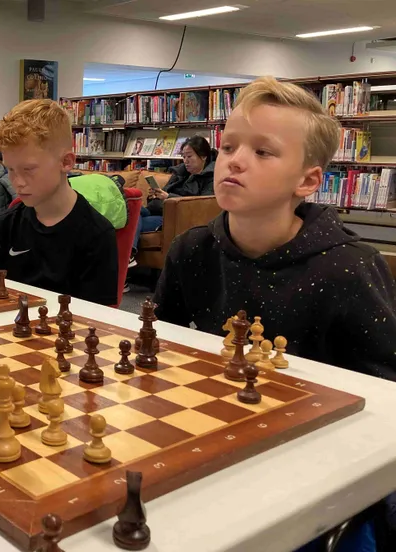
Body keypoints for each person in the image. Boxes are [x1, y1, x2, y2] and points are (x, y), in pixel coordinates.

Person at [154, 75, 396, 381]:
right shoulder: (190, 249)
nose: (234, 161)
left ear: (307, 181)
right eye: (228, 147)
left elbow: (384, 384)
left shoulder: (352, 267)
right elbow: (160, 343)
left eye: (263, 152)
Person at [0, 99, 118, 306]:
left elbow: (97, 321)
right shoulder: (7, 224)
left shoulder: (97, 234)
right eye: (10, 170)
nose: (17, 183)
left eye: (28, 169)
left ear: (66, 162)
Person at [130, 135, 216, 265]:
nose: (185, 161)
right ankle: (128, 256)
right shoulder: (180, 173)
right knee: (130, 208)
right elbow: (163, 193)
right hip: (156, 210)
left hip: (173, 218)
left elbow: (201, 204)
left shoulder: (211, 178)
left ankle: (127, 255)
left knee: (132, 217)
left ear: (203, 156)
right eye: (183, 157)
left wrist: (168, 197)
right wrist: (154, 195)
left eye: (189, 156)